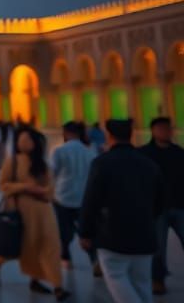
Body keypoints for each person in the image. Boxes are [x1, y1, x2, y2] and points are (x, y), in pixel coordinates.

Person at [80, 119, 163, 303]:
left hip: (112, 235)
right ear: (131, 135)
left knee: (116, 277)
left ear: (109, 136)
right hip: (145, 234)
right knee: (142, 282)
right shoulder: (148, 164)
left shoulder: (102, 163)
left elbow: (91, 200)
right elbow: (160, 202)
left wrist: (86, 232)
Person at [0, 127, 69, 300]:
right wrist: (25, 187)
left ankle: (57, 286)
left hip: (44, 209)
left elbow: (50, 188)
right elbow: (4, 186)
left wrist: (43, 191)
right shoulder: (13, 161)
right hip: (23, 210)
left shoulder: (42, 164)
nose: (23, 143)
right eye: (21, 140)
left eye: (27, 139)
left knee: (50, 244)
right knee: (27, 246)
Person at [139, 117, 183, 296]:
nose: (166, 131)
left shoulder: (179, 153)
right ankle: (158, 280)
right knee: (158, 247)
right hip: (157, 208)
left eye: (168, 128)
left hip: (180, 205)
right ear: (153, 131)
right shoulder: (144, 154)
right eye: (162, 128)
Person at [49, 121, 98, 274]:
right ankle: (94, 259)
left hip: (63, 197)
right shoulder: (90, 151)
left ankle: (66, 258)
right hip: (84, 197)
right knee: (87, 231)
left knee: (63, 231)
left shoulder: (59, 151)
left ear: (67, 133)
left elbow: (52, 174)